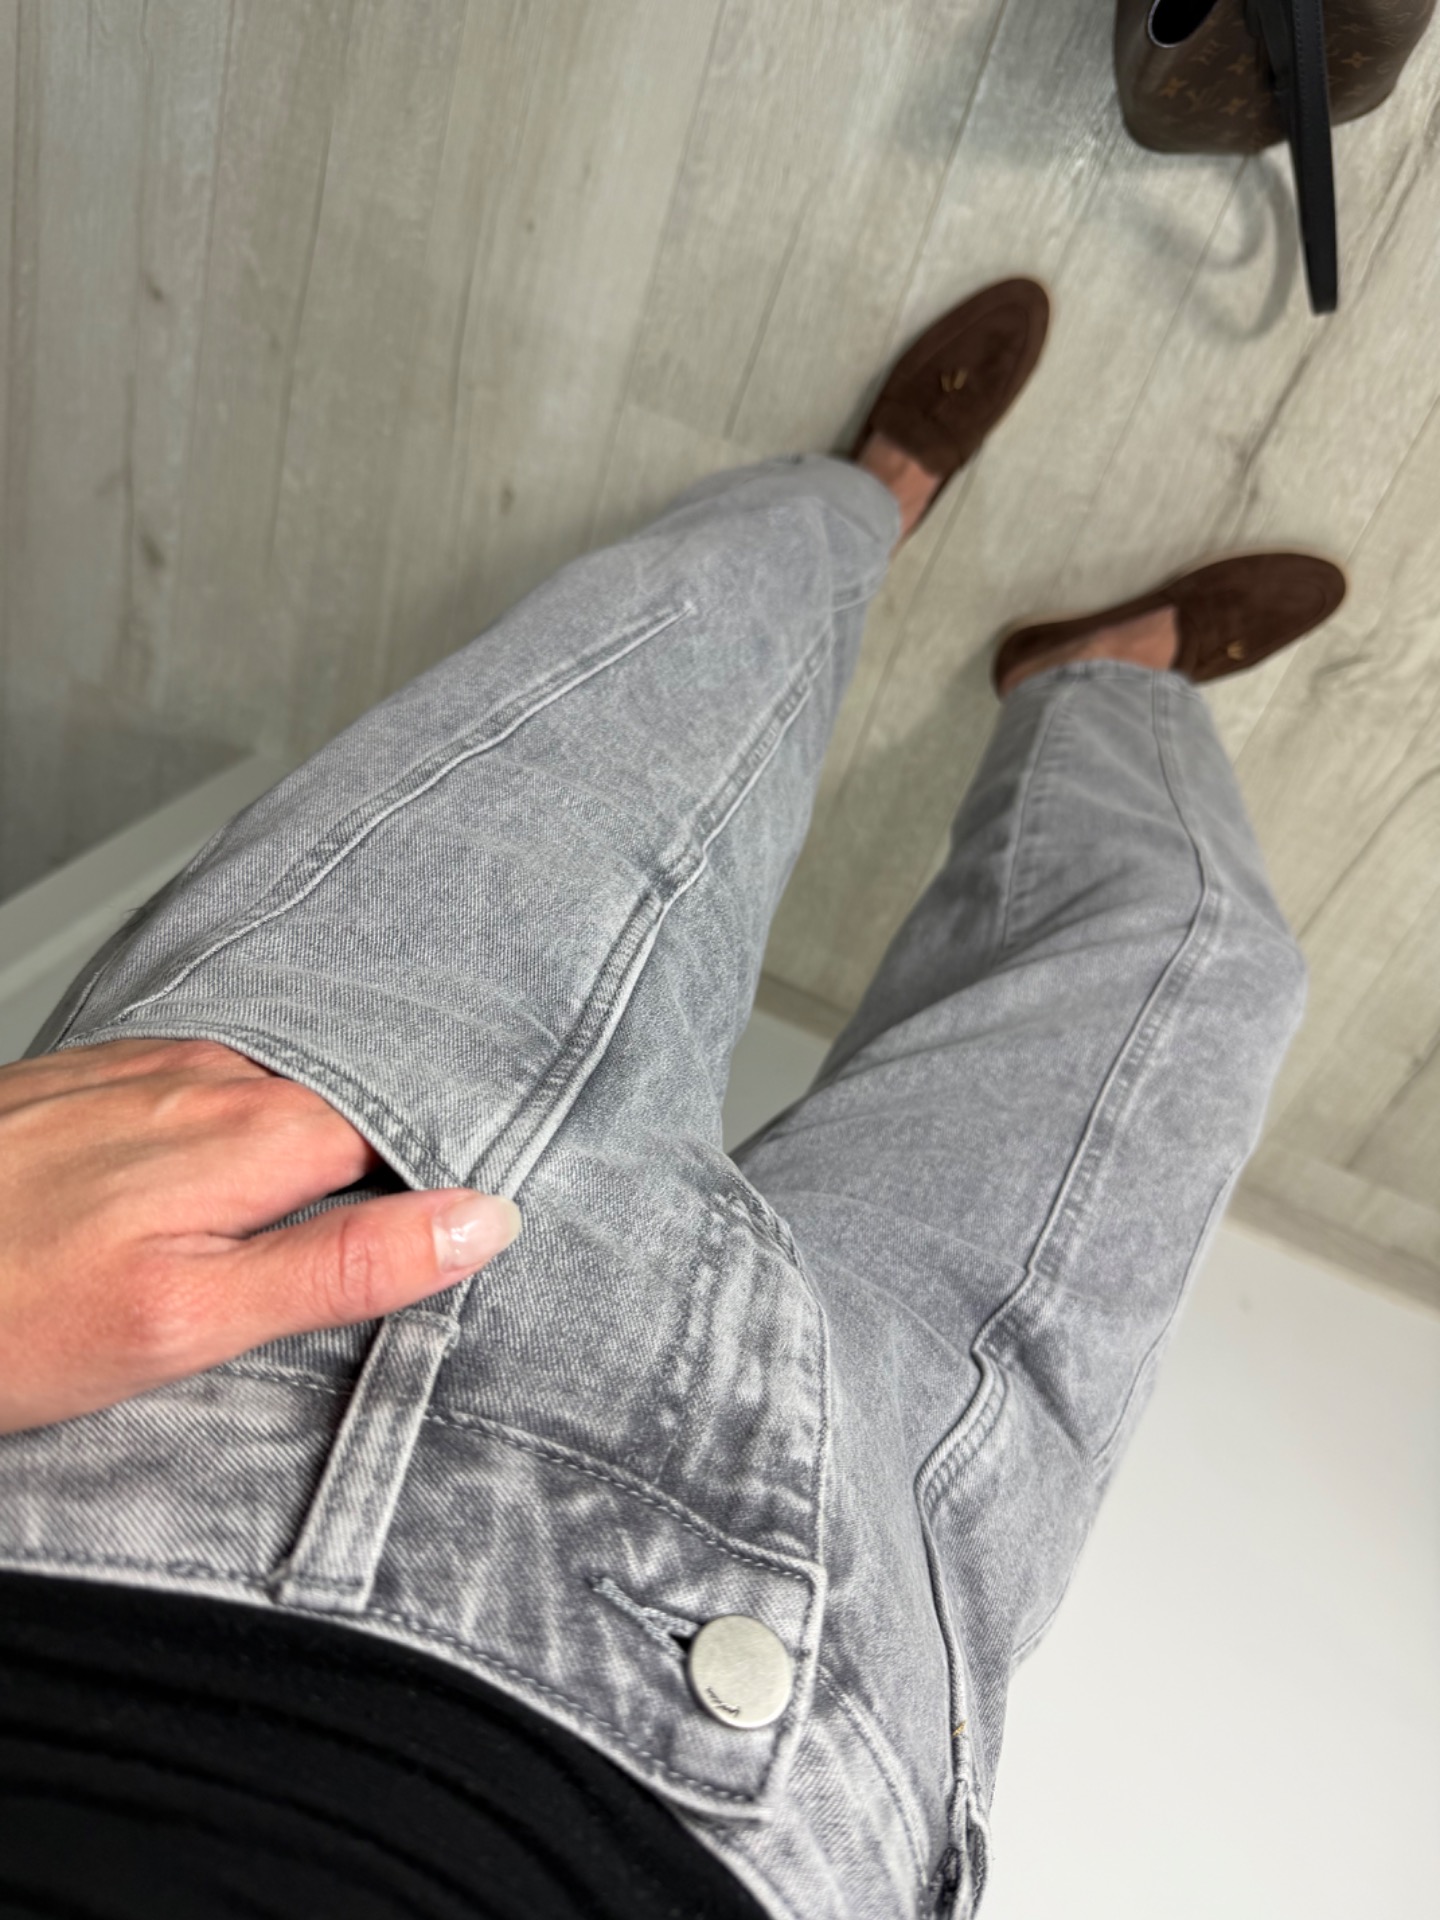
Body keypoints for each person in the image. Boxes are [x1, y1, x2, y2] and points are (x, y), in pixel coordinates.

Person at [0, 280, 1343, 1920]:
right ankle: (1103, 689)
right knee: (1204, 968)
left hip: (200, 1418)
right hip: (836, 1739)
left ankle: (858, 499)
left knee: (655, 665)